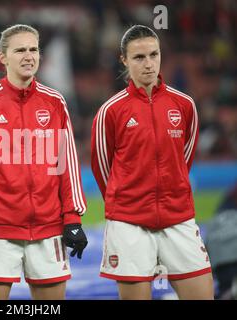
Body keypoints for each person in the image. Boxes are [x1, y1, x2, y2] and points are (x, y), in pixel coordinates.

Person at [0, 24, 88, 300]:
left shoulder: (55, 101)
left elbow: (67, 164)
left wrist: (73, 216)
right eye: (20, 50)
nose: (29, 56)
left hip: (48, 228)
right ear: (2, 57)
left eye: (34, 49)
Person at [91, 25, 214, 300]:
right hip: (129, 223)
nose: (148, 64)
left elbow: (184, 158)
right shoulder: (110, 111)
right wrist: (126, 205)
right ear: (123, 60)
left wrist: (171, 191)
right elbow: (102, 168)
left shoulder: (184, 105)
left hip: (178, 218)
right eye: (139, 57)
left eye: (153, 55)